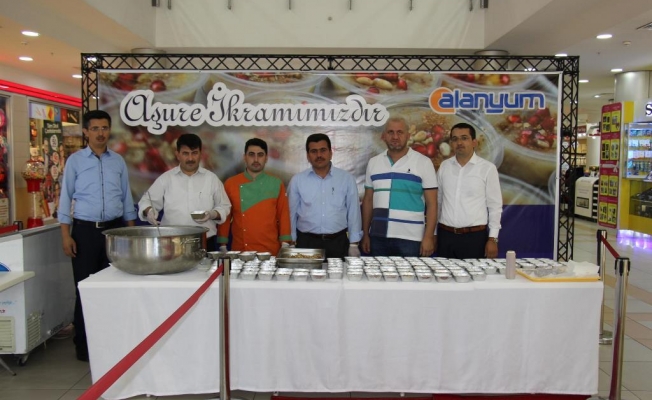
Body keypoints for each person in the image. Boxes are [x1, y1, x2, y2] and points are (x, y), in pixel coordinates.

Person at [58, 110, 137, 361]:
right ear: (86, 132)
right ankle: (84, 347)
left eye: (104, 128)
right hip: (84, 233)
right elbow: (65, 199)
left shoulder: (118, 161)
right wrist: (66, 235)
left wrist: (130, 233)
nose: (100, 133)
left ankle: (112, 345)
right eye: (95, 129)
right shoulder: (75, 161)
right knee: (85, 290)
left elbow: (126, 198)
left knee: (114, 289)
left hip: (115, 232)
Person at [138, 133, 231, 252]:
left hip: (204, 242)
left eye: (194, 153)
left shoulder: (211, 179)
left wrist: (212, 214)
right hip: (172, 244)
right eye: (185, 153)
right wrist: (149, 211)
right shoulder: (166, 178)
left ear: (201, 154)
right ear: (177, 154)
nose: (190, 158)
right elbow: (146, 201)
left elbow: (224, 206)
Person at [361, 117, 438, 257]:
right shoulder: (374, 162)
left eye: (400, 132)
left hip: (411, 239)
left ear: (408, 135)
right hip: (378, 237)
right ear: (384, 136)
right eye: (390, 132)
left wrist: (429, 236)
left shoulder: (424, 162)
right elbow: (368, 200)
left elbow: (432, 204)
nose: (395, 137)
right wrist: (366, 233)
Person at [288, 133, 362, 259]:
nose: (319, 155)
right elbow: (291, 214)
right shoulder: (297, 181)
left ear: (330, 153)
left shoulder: (346, 179)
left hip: (338, 242)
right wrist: (291, 242)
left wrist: (354, 244)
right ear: (308, 156)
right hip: (306, 243)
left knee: (340, 273)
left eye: (323, 150)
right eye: (314, 151)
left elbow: (354, 212)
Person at [435, 122, 502, 259]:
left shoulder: (487, 168)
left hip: (474, 238)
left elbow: (495, 206)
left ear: (474, 142)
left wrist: (493, 239)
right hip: (445, 237)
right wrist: (434, 233)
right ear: (451, 143)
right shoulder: (444, 166)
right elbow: (438, 203)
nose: (459, 143)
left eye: (464, 138)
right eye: (455, 139)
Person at [217, 138, 292, 254]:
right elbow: (225, 215)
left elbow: (283, 215)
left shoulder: (276, 183)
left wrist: (285, 243)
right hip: (241, 251)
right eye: (251, 155)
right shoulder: (231, 183)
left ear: (266, 158)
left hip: (270, 252)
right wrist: (222, 243)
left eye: (260, 155)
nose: (256, 159)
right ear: (244, 157)